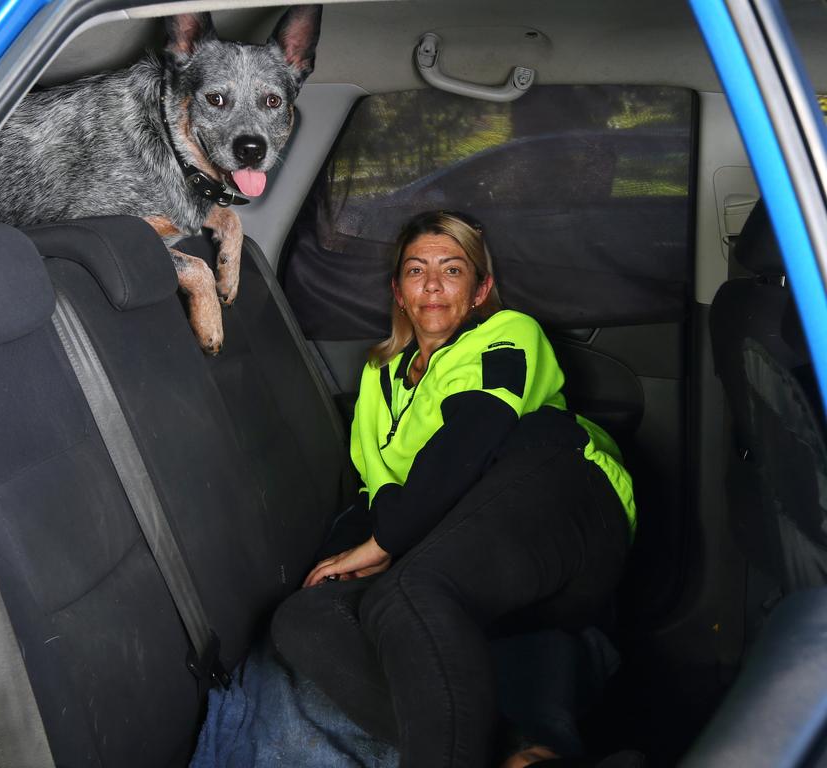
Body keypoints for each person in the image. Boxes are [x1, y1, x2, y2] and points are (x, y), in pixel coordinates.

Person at [272, 211, 635, 767]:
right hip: (453, 550)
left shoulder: (506, 335)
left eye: (453, 269)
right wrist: (365, 551)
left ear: (480, 288)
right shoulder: (378, 376)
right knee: (304, 618)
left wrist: (386, 541)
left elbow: (475, 432)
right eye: (416, 270)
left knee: (411, 591)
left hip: (568, 509)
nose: (434, 285)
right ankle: (520, 753)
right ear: (398, 291)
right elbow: (378, 488)